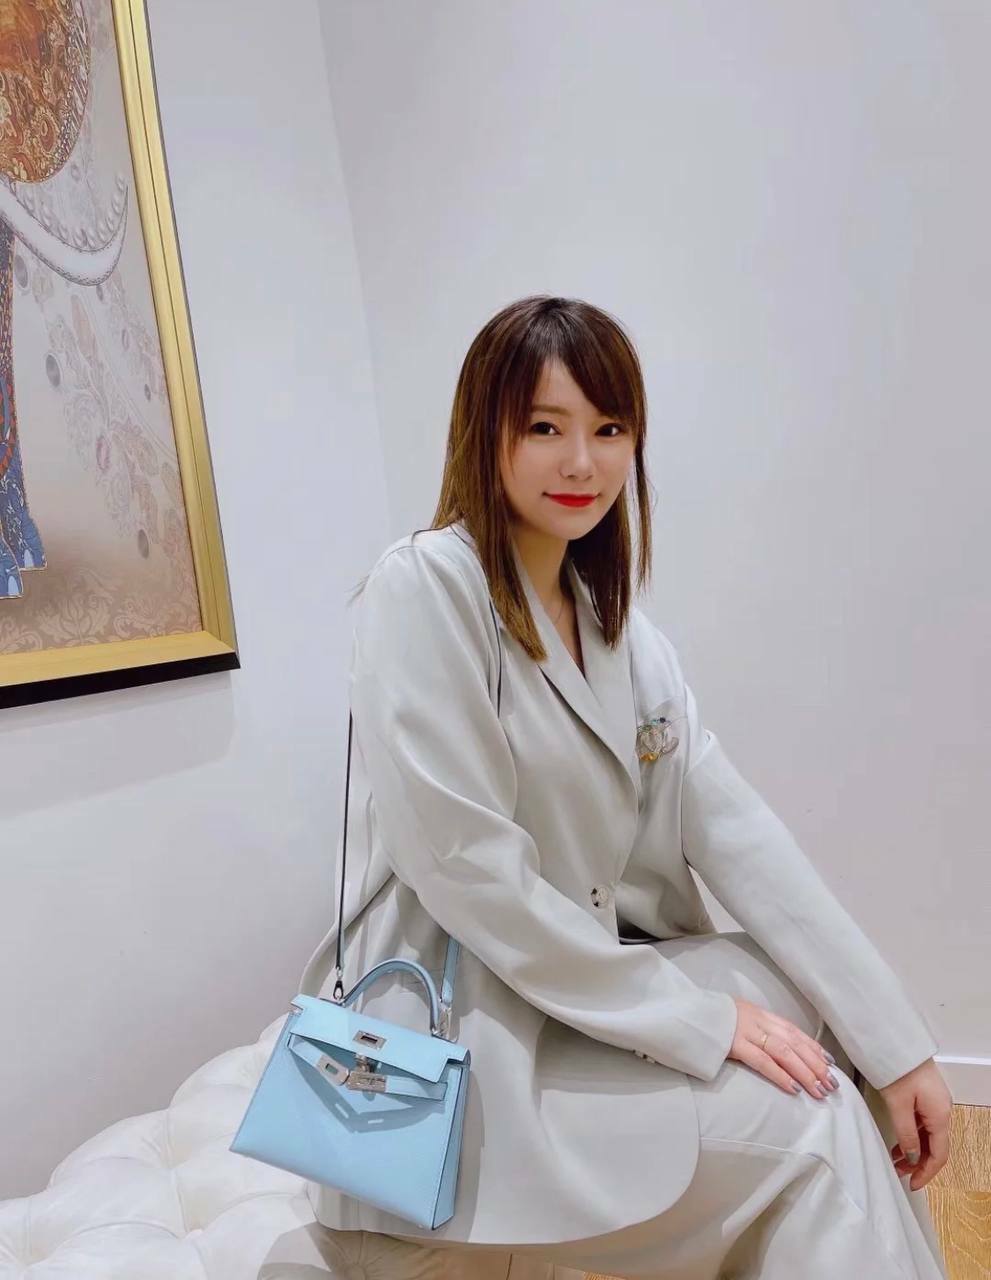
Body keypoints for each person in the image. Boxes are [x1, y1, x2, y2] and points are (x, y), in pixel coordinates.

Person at [287, 296, 952, 1279]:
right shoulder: (423, 585)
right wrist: (700, 1021)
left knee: (837, 1059)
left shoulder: (620, 633)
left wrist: (895, 1045)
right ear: (484, 431)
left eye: (608, 430)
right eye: (543, 427)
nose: (581, 463)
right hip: (448, 1056)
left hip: (568, 997)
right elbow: (471, 874)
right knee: (814, 1126)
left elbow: (738, 833)